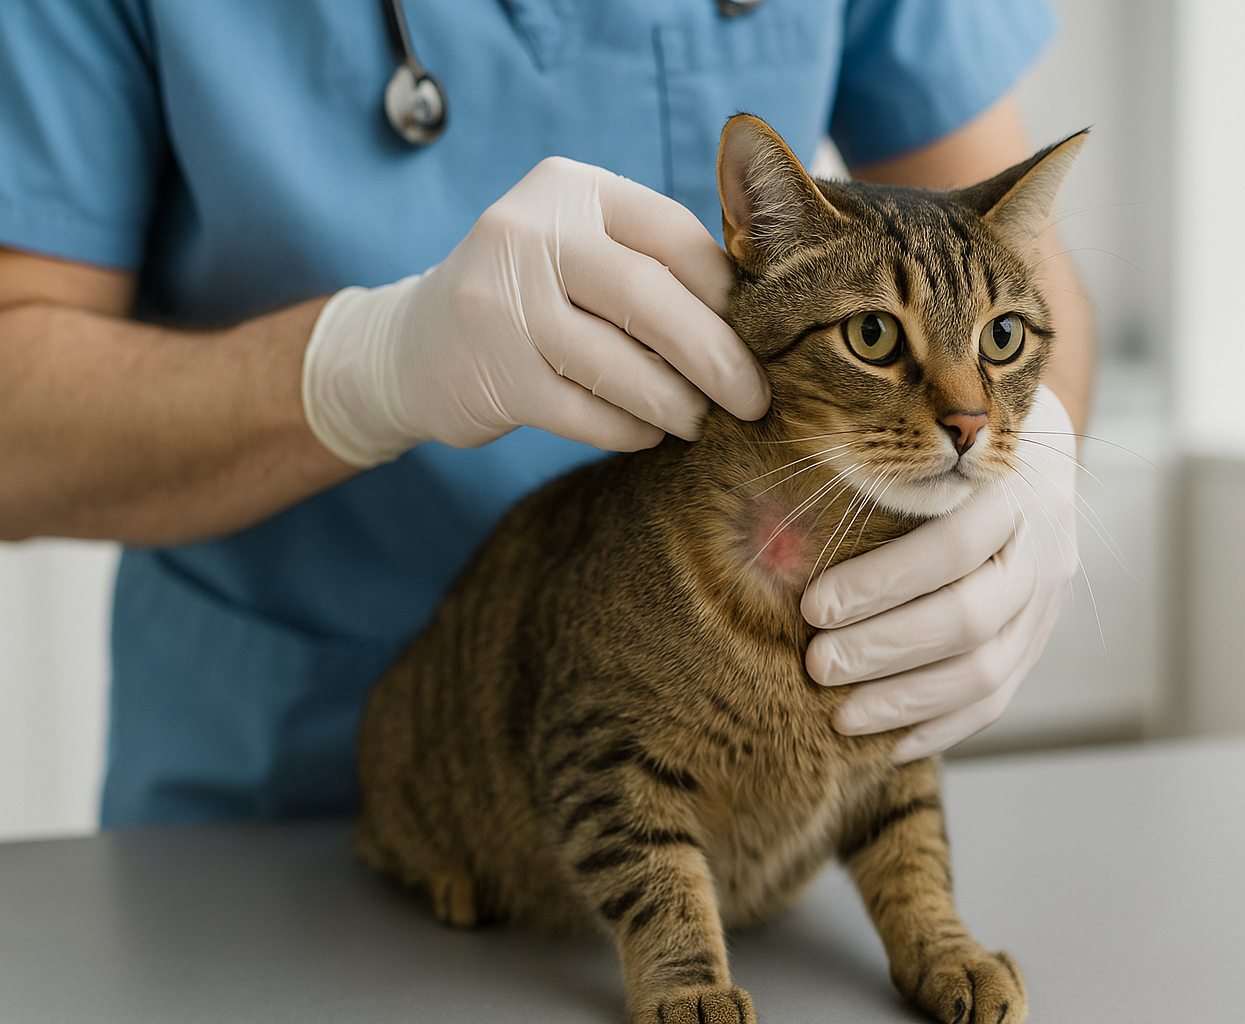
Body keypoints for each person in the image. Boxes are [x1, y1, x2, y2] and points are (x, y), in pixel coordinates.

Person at [0, 0, 1094, 828]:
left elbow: (1013, 263)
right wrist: (359, 367)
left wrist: (1041, 471)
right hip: (277, 791)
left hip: (725, 801)